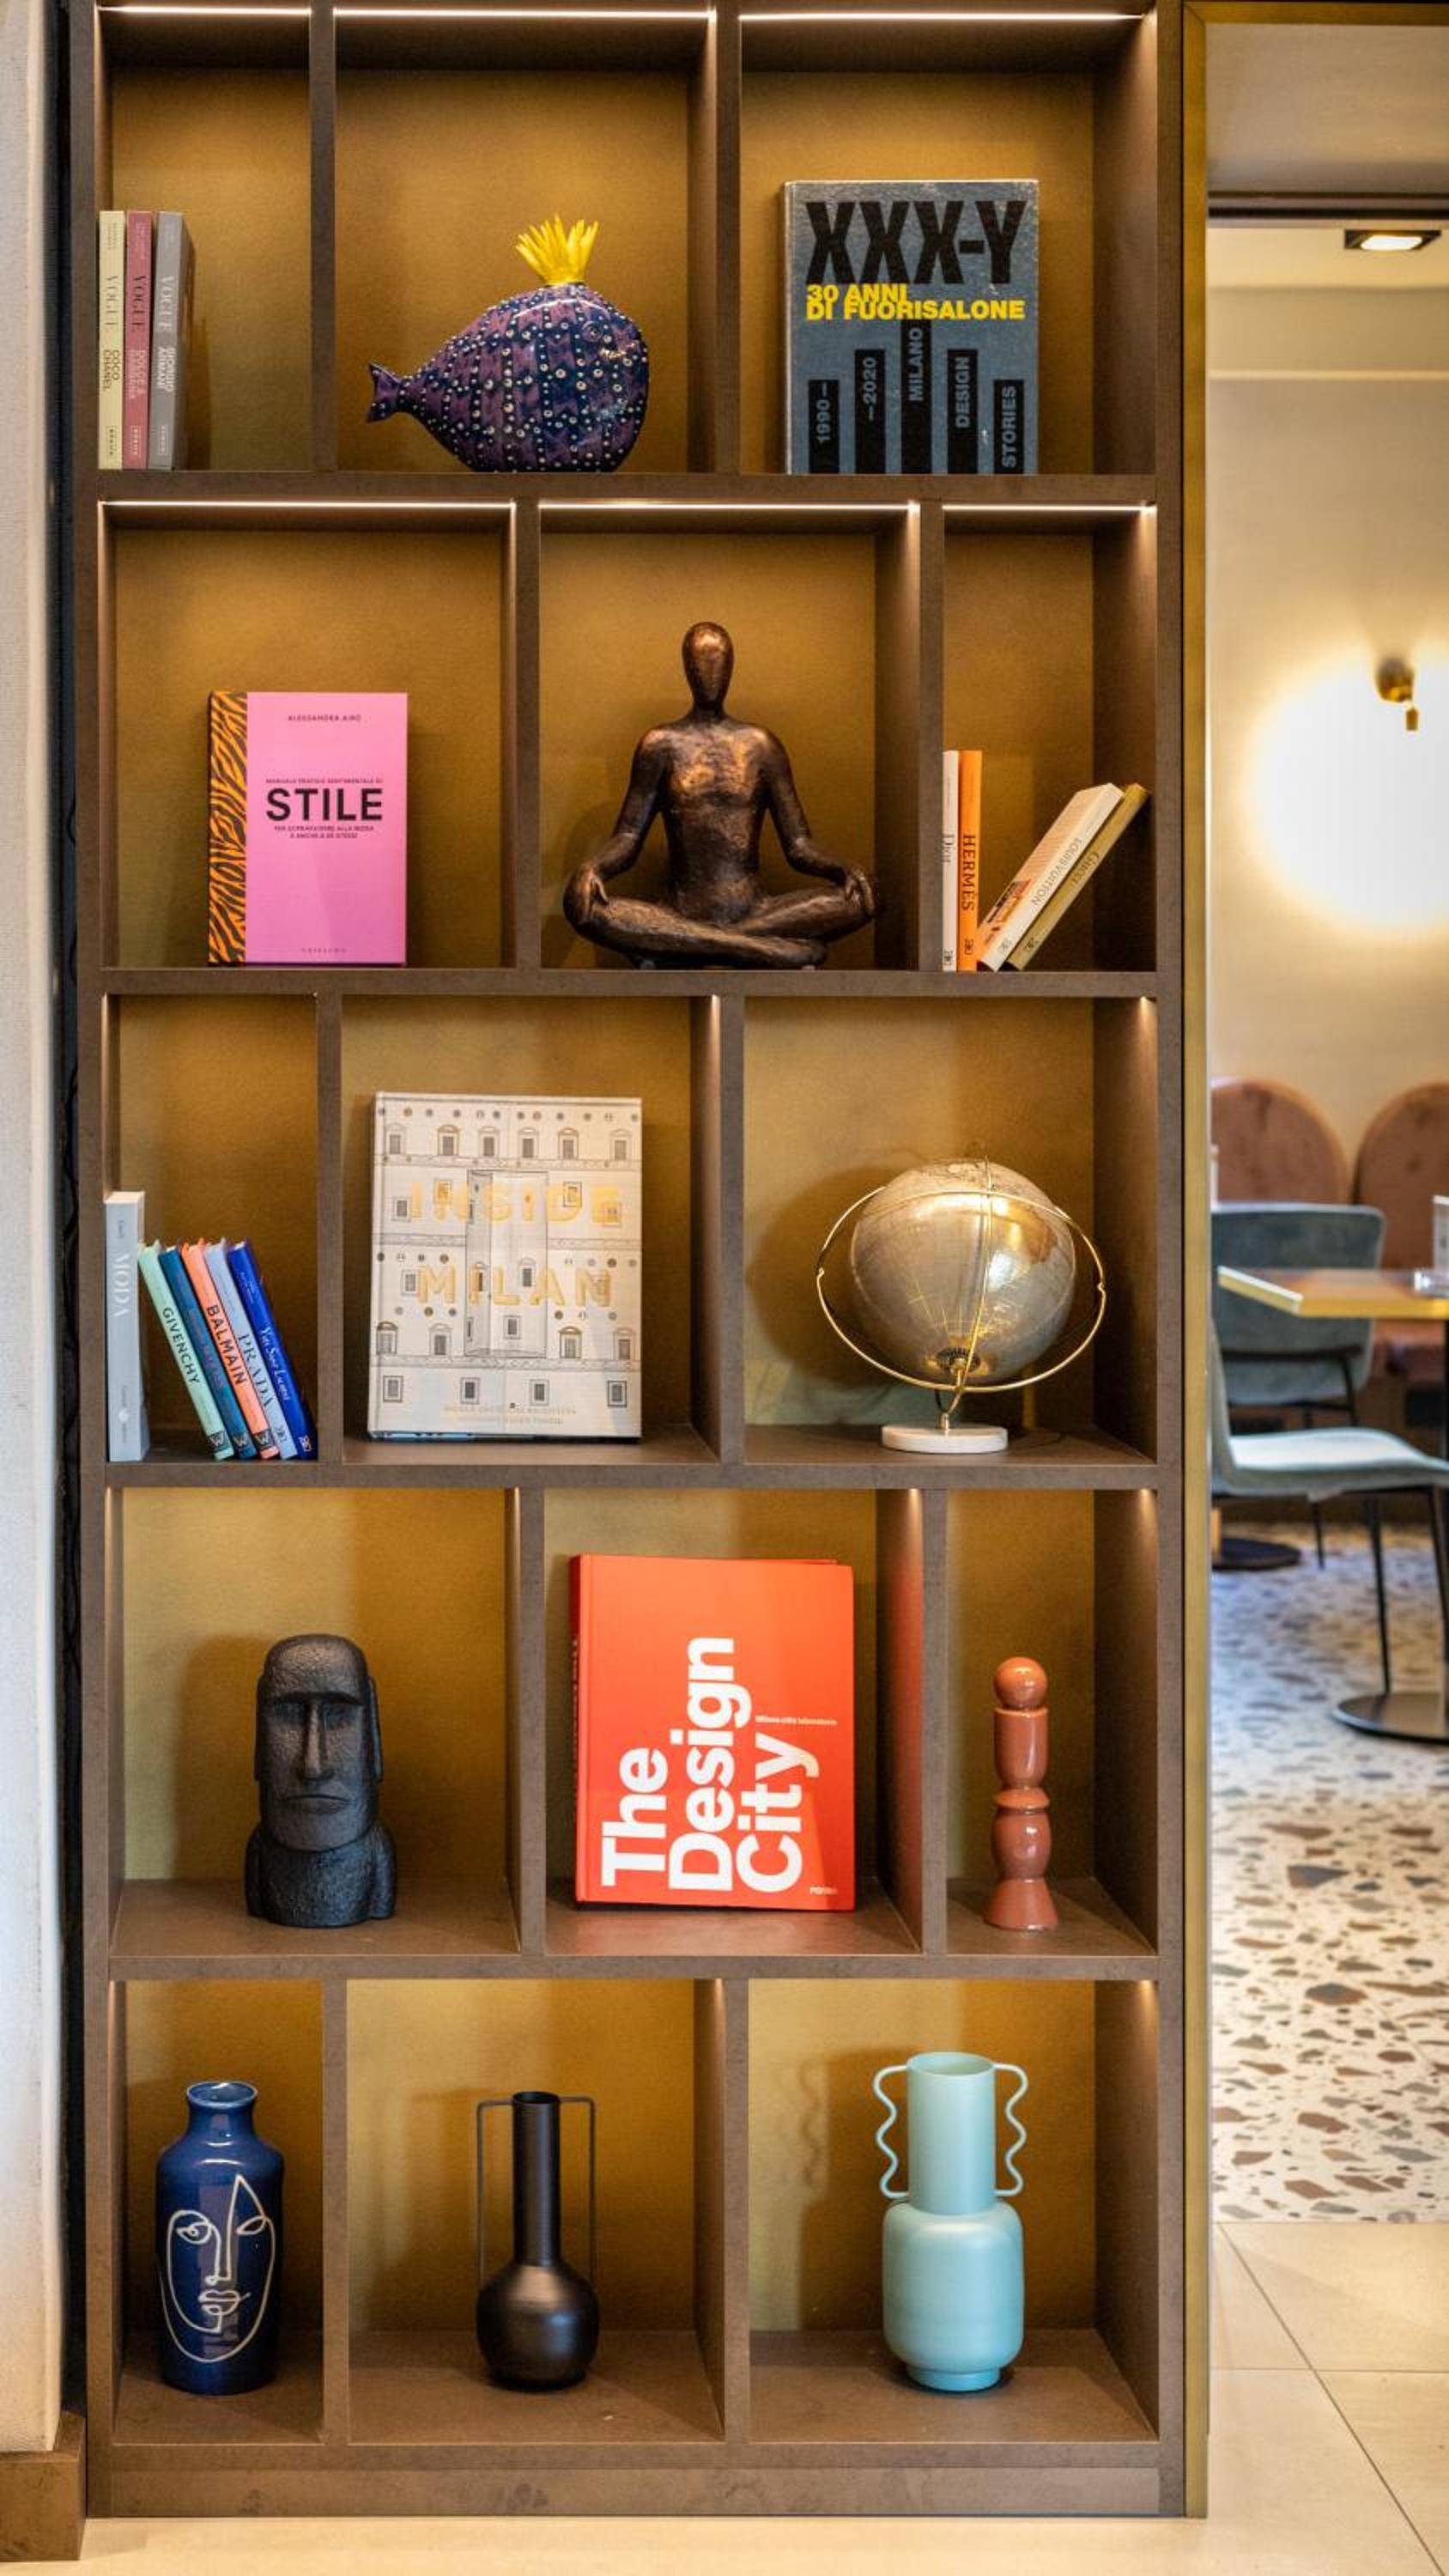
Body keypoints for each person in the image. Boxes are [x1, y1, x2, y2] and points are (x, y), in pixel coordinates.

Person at [564, 621, 876, 968]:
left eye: (717, 664)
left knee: (863, 898)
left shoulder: (762, 745)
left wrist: (843, 869)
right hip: (679, 909)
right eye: (701, 664)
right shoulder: (660, 745)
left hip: (756, 910)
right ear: (687, 669)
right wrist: (593, 868)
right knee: (582, 906)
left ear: (731, 668)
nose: (709, 675)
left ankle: (684, 945)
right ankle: (761, 950)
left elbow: (799, 845)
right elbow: (627, 837)